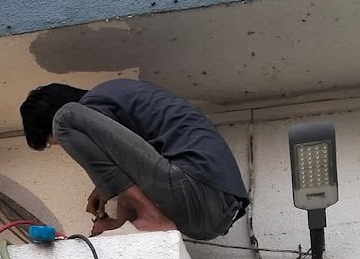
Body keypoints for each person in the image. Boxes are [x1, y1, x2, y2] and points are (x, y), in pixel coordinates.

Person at [20, 78, 249, 240]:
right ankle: (150, 216)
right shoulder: (116, 95)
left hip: (195, 188)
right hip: (216, 214)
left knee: (66, 118)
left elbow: (129, 168)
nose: (69, 146)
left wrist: (114, 205)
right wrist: (104, 190)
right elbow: (136, 161)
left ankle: (151, 216)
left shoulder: (91, 103)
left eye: (58, 142)